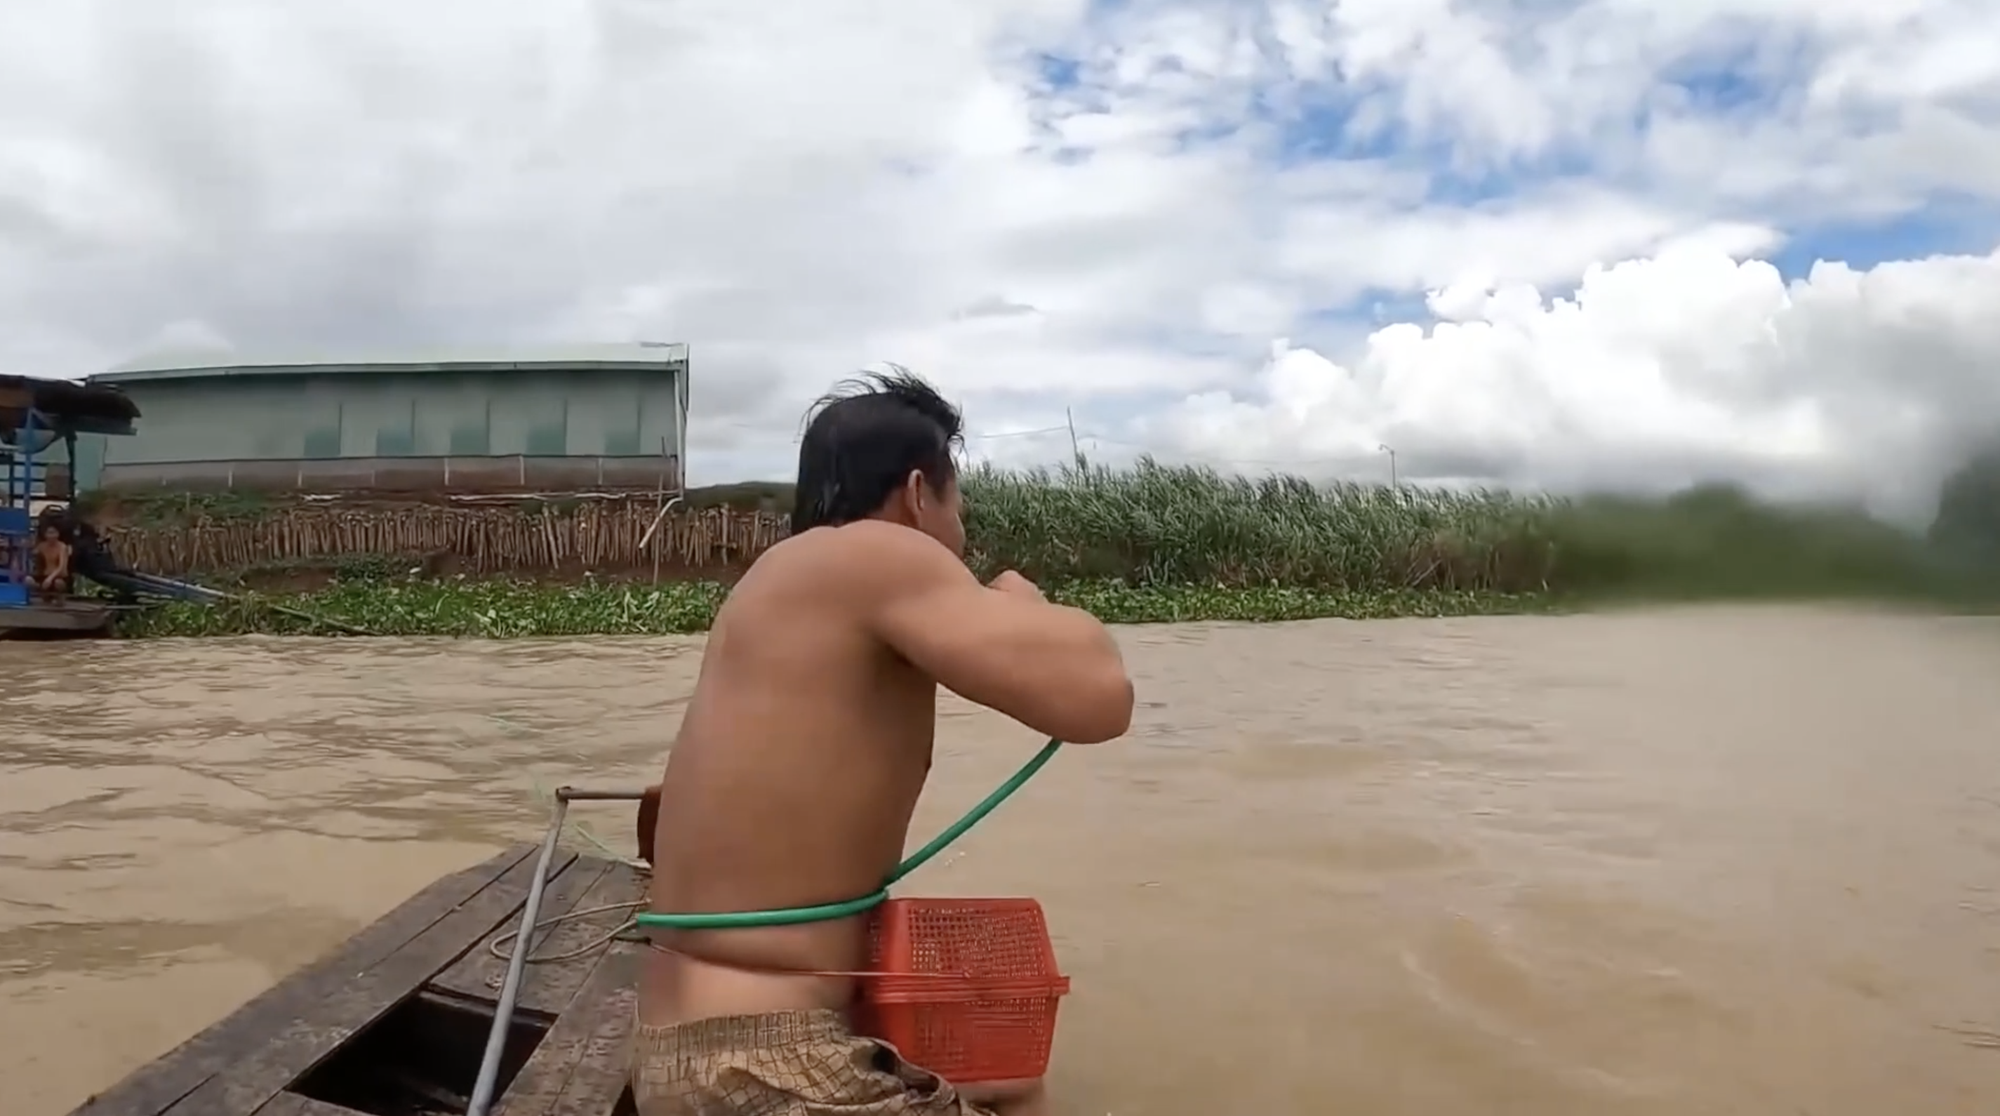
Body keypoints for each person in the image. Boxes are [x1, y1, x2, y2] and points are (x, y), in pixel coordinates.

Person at [632, 370, 1136, 1116]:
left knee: (1009, 1085)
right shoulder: (880, 553)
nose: (959, 527)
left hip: (693, 1045)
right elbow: (1099, 699)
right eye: (957, 498)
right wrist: (1026, 604)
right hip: (767, 1063)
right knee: (1024, 1098)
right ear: (917, 492)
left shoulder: (784, 581)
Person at [29, 522, 71, 600]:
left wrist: (50, 578)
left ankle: (59, 597)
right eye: (49, 533)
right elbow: (32, 553)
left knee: (58, 583)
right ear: (45, 535)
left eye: (53, 533)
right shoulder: (42, 546)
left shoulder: (62, 547)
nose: (51, 536)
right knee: (28, 580)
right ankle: (43, 593)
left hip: (58, 577)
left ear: (58, 534)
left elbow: (61, 566)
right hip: (44, 575)